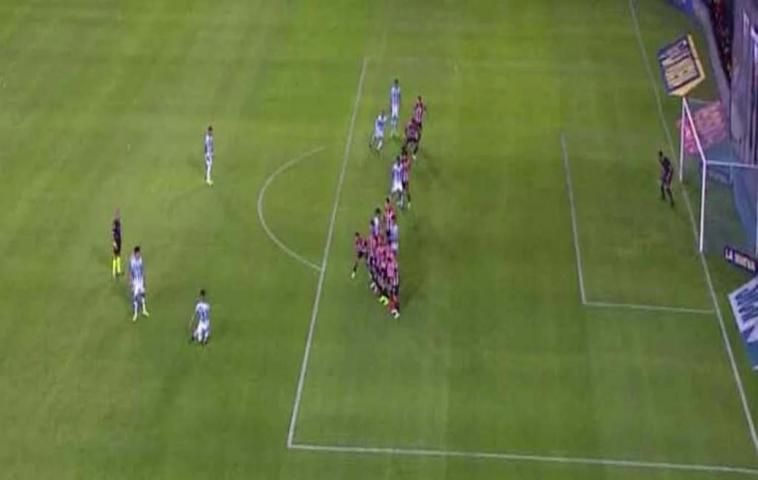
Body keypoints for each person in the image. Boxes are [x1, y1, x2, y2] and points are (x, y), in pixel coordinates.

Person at [129, 246, 149, 321]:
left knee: (143, 294)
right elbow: (130, 272)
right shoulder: (132, 261)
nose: (139, 254)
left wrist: (144, 280)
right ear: (135, 253)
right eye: (138, 253)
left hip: (140, 280)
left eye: (139, 253)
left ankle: (144, 310)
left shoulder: (140, 260)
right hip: (135, 281)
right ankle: (135, 314)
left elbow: (142, 270)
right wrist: (131, 282)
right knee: (135, 297)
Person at [112, 210, 122, 278]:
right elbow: (112, 233)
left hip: (119, 240)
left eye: (119, 215)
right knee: (115, 255)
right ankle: (113, 272)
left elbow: (120, 232)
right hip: (115, 241)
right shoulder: (114, 223)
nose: (118, 216)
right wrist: (114, 242)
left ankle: (118, 271)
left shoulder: (119, 222)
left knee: (118, 255)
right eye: (117, 215)